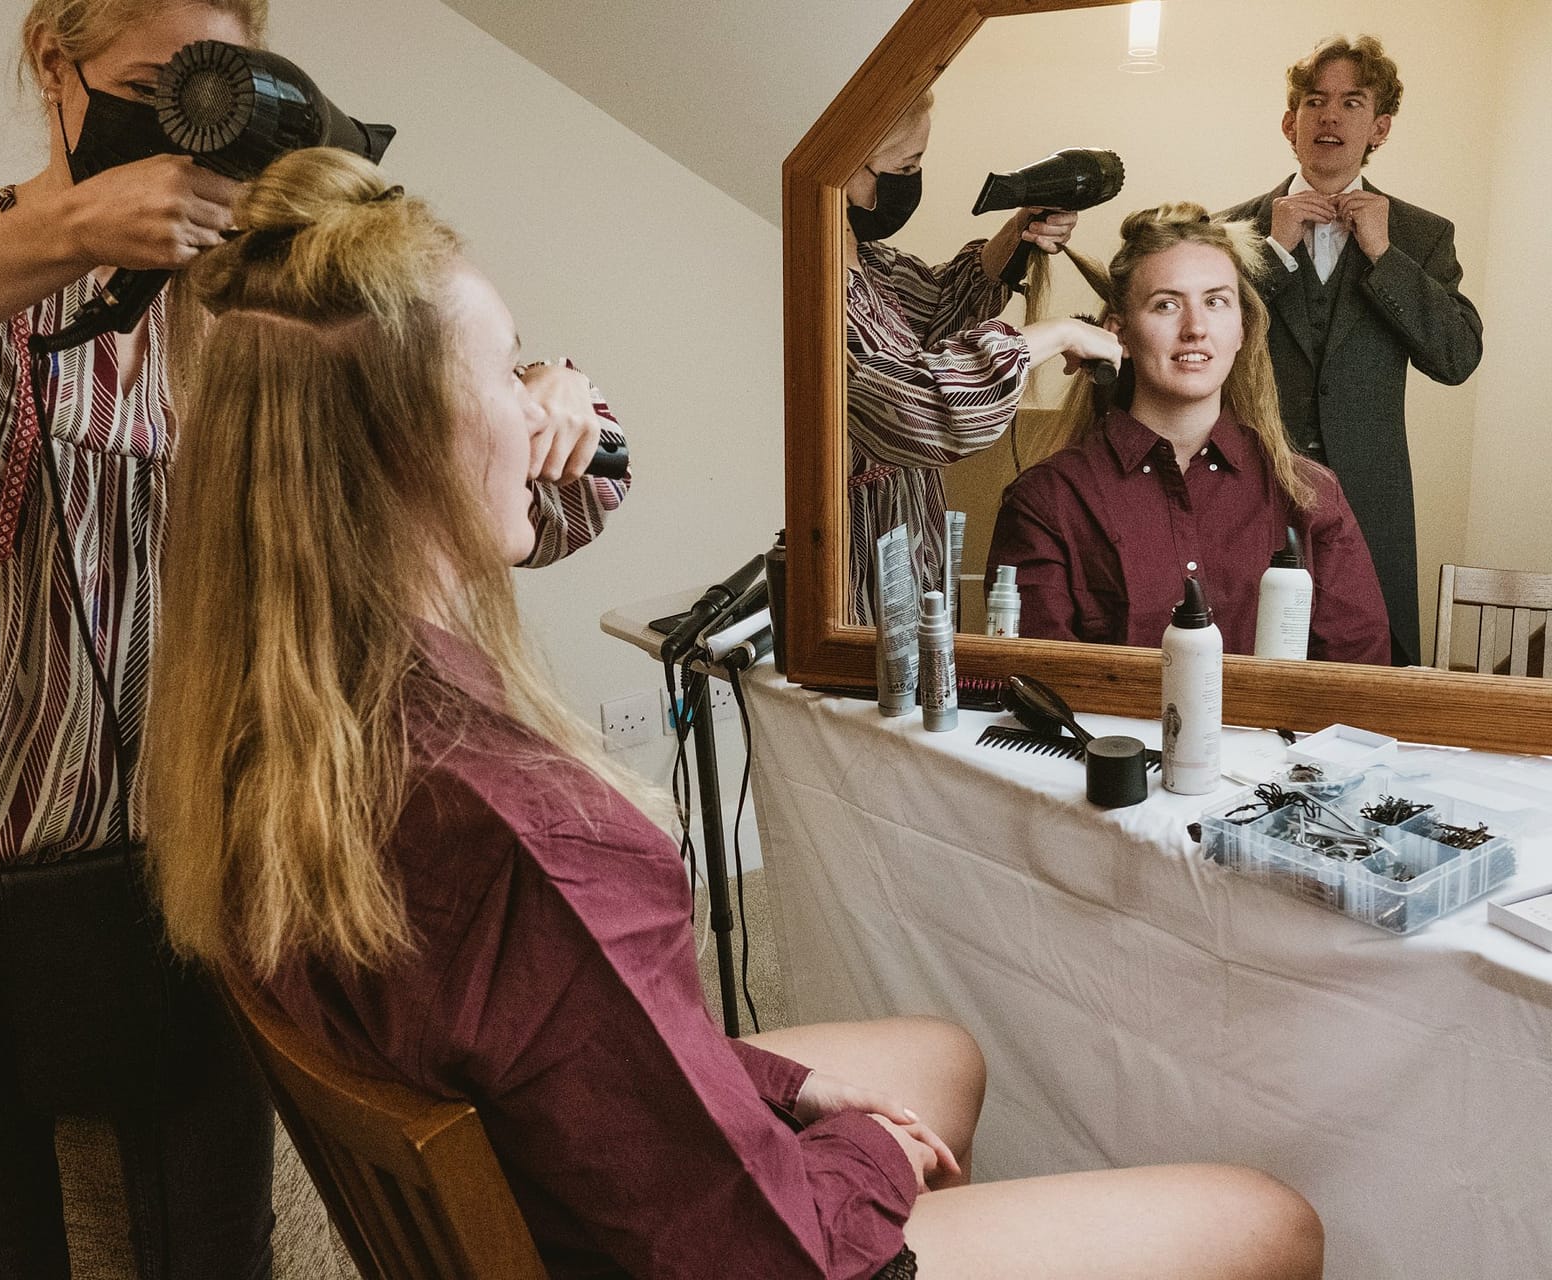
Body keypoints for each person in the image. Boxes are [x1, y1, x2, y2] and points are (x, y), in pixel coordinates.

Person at [148, 145, 1324, 1280]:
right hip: (691, 1248)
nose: (543, 407)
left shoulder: (279, 715)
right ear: (409, 438)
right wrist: (869, 1151)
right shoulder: (538, 838)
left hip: (552, 1164)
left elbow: (599, 1060)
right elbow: (772, 1253)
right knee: (1265, 1219)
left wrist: (787, 1093)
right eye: (511, 370)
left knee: (944, 1052)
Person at [0, 2, 626, 1275]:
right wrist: (64, 233)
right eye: (153, 85)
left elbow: (528, 495)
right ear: (58, 63)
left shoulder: (257, 292)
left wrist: (538, 404)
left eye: (217, 86)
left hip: (194, 879)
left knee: (217, 1257)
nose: (184, 127)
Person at [987, 204, 1390, 664]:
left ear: (1241, 328)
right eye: (1166, 304)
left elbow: (1358, 677)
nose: (1195, 329)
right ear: (1119, 334)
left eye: (1216, 301)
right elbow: (1038, 682)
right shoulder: (1048, 501)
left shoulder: (1310, 495)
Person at [1218, 35, 1482, 666]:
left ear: (1380, 127)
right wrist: (1272, 255)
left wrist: (1385, 258)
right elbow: (1195, 348)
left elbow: (1457, 357)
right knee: (1243, 661)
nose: (1330, 116)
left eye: (1351, 102)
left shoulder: (1420, 235)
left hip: (1372, 503)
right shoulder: (1228, 230)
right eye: (1315, 101)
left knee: (1369, 676)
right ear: (1291, 122)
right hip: (1249, 488)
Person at [842, 91, 1120, 623]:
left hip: (908, 552)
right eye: (907, 166)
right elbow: (924, 408)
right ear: (848, 166)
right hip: (857, 575)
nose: (914, 179)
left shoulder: (873, 268)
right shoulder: (822, 295)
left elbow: (942, 308)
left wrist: (1019, 230)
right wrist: (1055, 335)